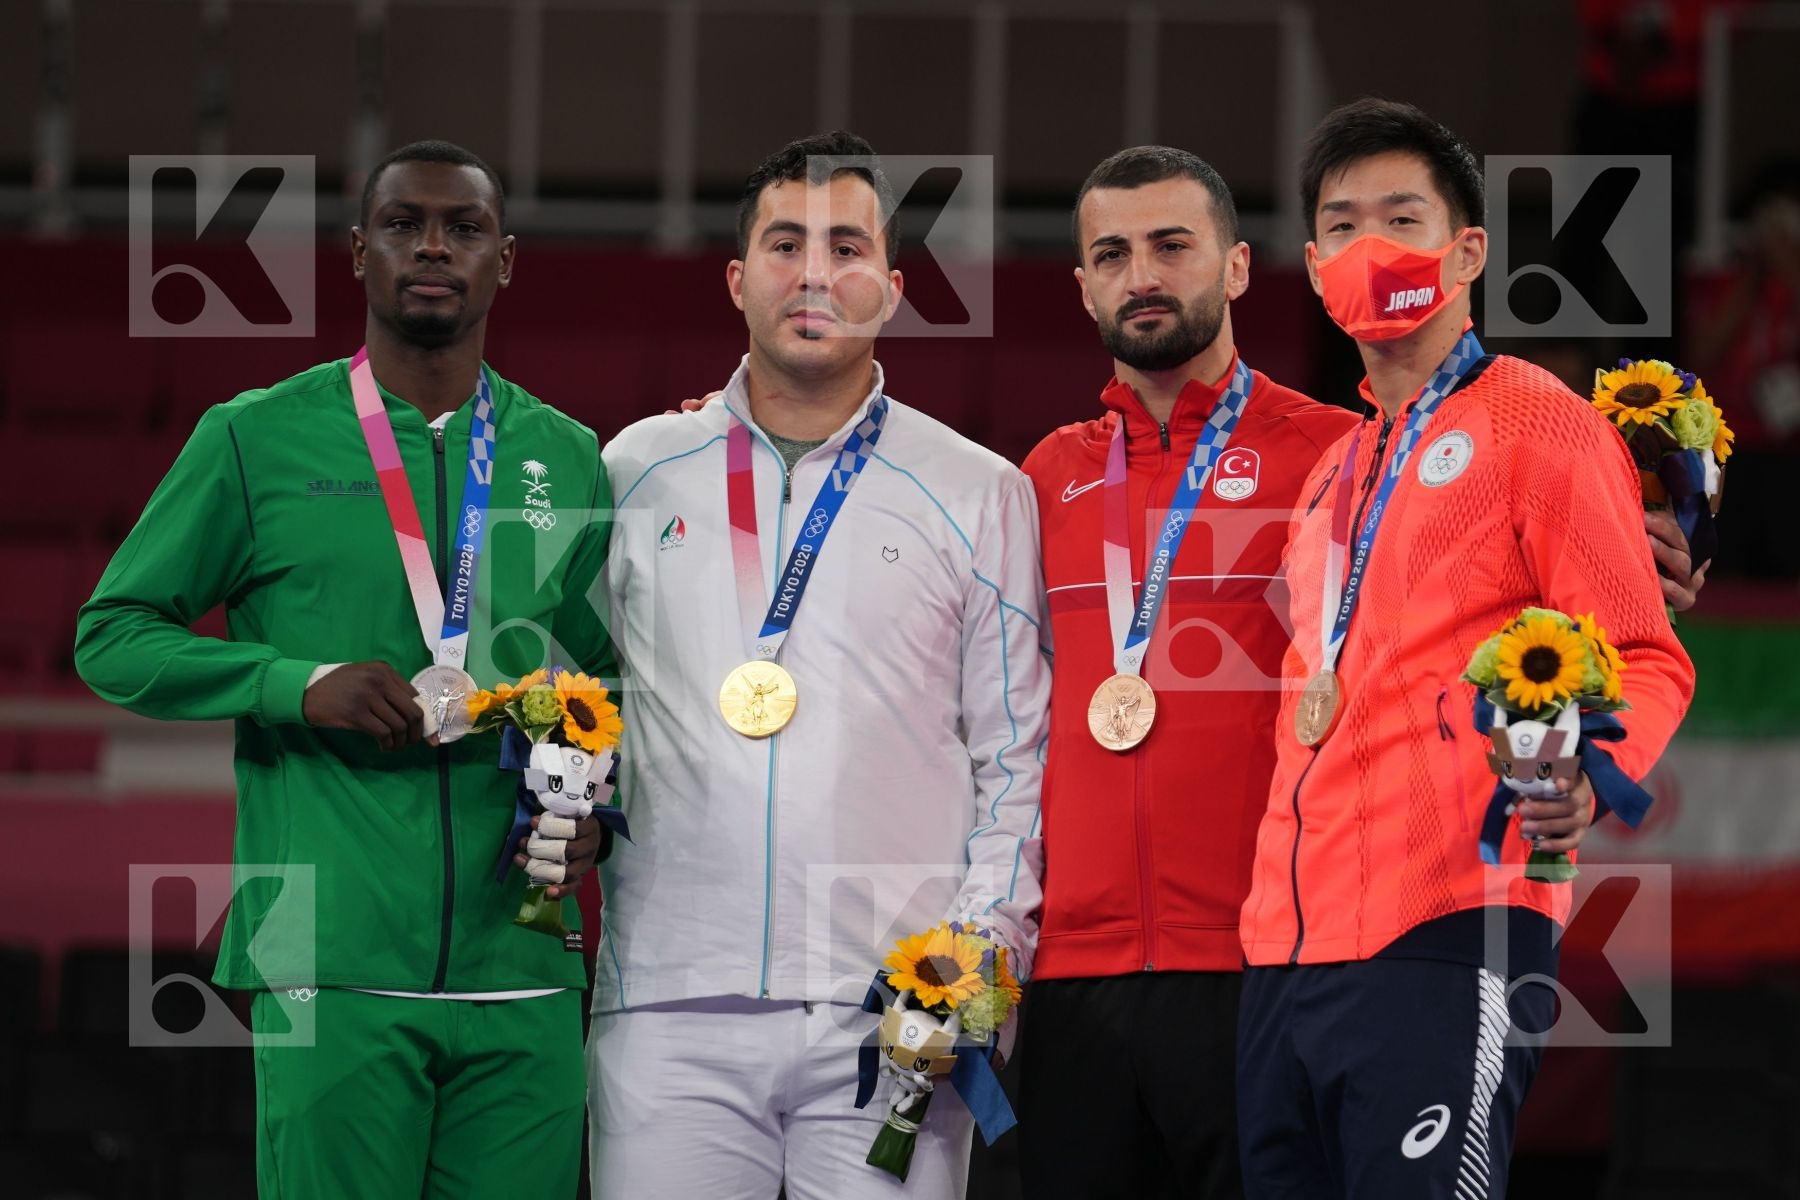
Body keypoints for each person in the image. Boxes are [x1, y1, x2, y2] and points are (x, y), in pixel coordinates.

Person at [75, 140, 612, 1199]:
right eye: (404, 225)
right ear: (360, 252)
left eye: (464, 229)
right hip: (326, 956)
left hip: (524, 963)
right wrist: (295, 684)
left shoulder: (567, 455)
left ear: (505, 261)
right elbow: (113, 636)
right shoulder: (255, 438)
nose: (433, 247)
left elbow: (604, 678)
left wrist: (595, 805)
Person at [1235, 98, 1697, 1199]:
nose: (1372, 247)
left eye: (1403, 219)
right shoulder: (1331, 474)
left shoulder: (1540, 421)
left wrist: (1586, 772)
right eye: (1343, 226)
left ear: (1468, 252)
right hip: (1286, 957)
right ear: (1314, 265)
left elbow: (1645, 652)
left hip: (1449, 926)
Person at [588, 130, 1049, 1199]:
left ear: (891, 286)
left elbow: (1016, 753)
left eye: (847, 248)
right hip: (670, 1002)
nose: (814, 274)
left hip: (896, 1011)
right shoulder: (635, 470)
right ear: (738, 278)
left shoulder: (978, 490)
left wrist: (979, 954)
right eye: (786, 244)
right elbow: (576, 706)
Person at [1014, 146, 1360, 1199]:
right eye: (1112, 256)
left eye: (1172, 246)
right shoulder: (1041, 477)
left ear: (1239, 266)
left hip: (1262, 964)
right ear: (1084, 286)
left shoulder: (1339, 454)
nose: (1143, 277)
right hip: (1070, 978)